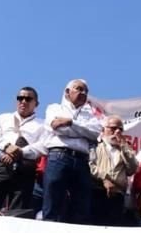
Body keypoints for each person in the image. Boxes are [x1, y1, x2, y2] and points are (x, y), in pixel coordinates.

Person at [43, 79, 103, 224]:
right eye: (78, 89)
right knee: (53, 200)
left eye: (85, 91)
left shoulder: (90, 115)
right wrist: (82, 130)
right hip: (59, 156)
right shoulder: (54, 108)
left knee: (81, 205)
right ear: (67, 92)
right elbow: (57, 127)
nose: (83, 93)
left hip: (82, 160)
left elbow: (95, 133)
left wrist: (70, 123)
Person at [0, 87, 47, 215]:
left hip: (25, 169)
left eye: (28, 99)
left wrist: (21, 152)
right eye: (20, 98)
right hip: (1, 166)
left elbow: (43, 145)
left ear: (36, 104)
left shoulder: (43, 124)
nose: (23, 101)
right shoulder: (3, 118)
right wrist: (6, 147)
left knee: (18, 211)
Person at [89, 116, 138, 226]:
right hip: (97, 192)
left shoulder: (125, 149)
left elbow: (132, 169)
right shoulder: (95, 146)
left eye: (120, 129)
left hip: (117, 195)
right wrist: (104, 179)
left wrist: (123, 146)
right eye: (113, 128)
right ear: (103, 130)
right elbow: (90, 165)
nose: (117, 132)